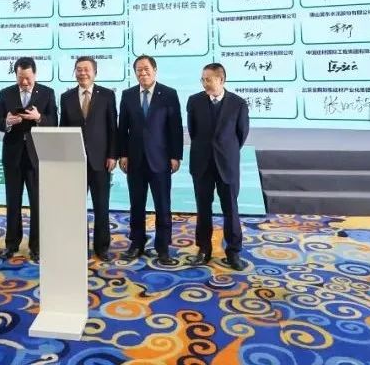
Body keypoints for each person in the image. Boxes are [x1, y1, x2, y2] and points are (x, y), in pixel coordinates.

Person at [117, 55, 183, 264]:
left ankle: (163, 248)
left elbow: (175, 127)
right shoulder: (128, 95)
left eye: (146, 69)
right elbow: (122, 128)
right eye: (139, 69)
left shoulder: (169, 94)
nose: (143, 73)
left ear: (155, 70)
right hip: (135, 160)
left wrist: (175, 156)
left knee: (162, 205)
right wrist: (123, 154)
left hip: (160, 159)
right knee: (136, 204)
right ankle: (136, 243)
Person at [186, 63, 249, 271]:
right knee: (203, 209)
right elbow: (193, 132)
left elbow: (241, 134)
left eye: (208, 79)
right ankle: (204, 249)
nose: (204, 83)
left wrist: (224, 151)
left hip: (227, 165)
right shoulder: (194, 101)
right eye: (202, 79)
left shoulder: (238, 103)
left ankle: (233, 252)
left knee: (230, 209)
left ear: (221, 80)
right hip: (202, 163)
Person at [0, 57, 57, 262]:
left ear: (35, 74)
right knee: (13, 201)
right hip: (12, 155)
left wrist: (39, 118)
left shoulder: (47, 93)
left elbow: (54, 122)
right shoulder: (6, 93)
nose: (25, 82)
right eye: (21, 78)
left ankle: (36, 247)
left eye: (28, 78)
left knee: (37, 203)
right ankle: (11, 244)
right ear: (16, 75)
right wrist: (7, 122)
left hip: (37, 156)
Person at [59, 56, 117, 261]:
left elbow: (112, 127)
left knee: (101, 206)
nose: (82, 73)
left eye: (86, 69)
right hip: (75, 161)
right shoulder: (66, 97)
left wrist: (112, 155)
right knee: (76, 207)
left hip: (100, 160)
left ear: (95, 73)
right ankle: (79, 246)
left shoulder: (107, 95)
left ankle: (102, 247)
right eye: (79, 69)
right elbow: (63, 129)